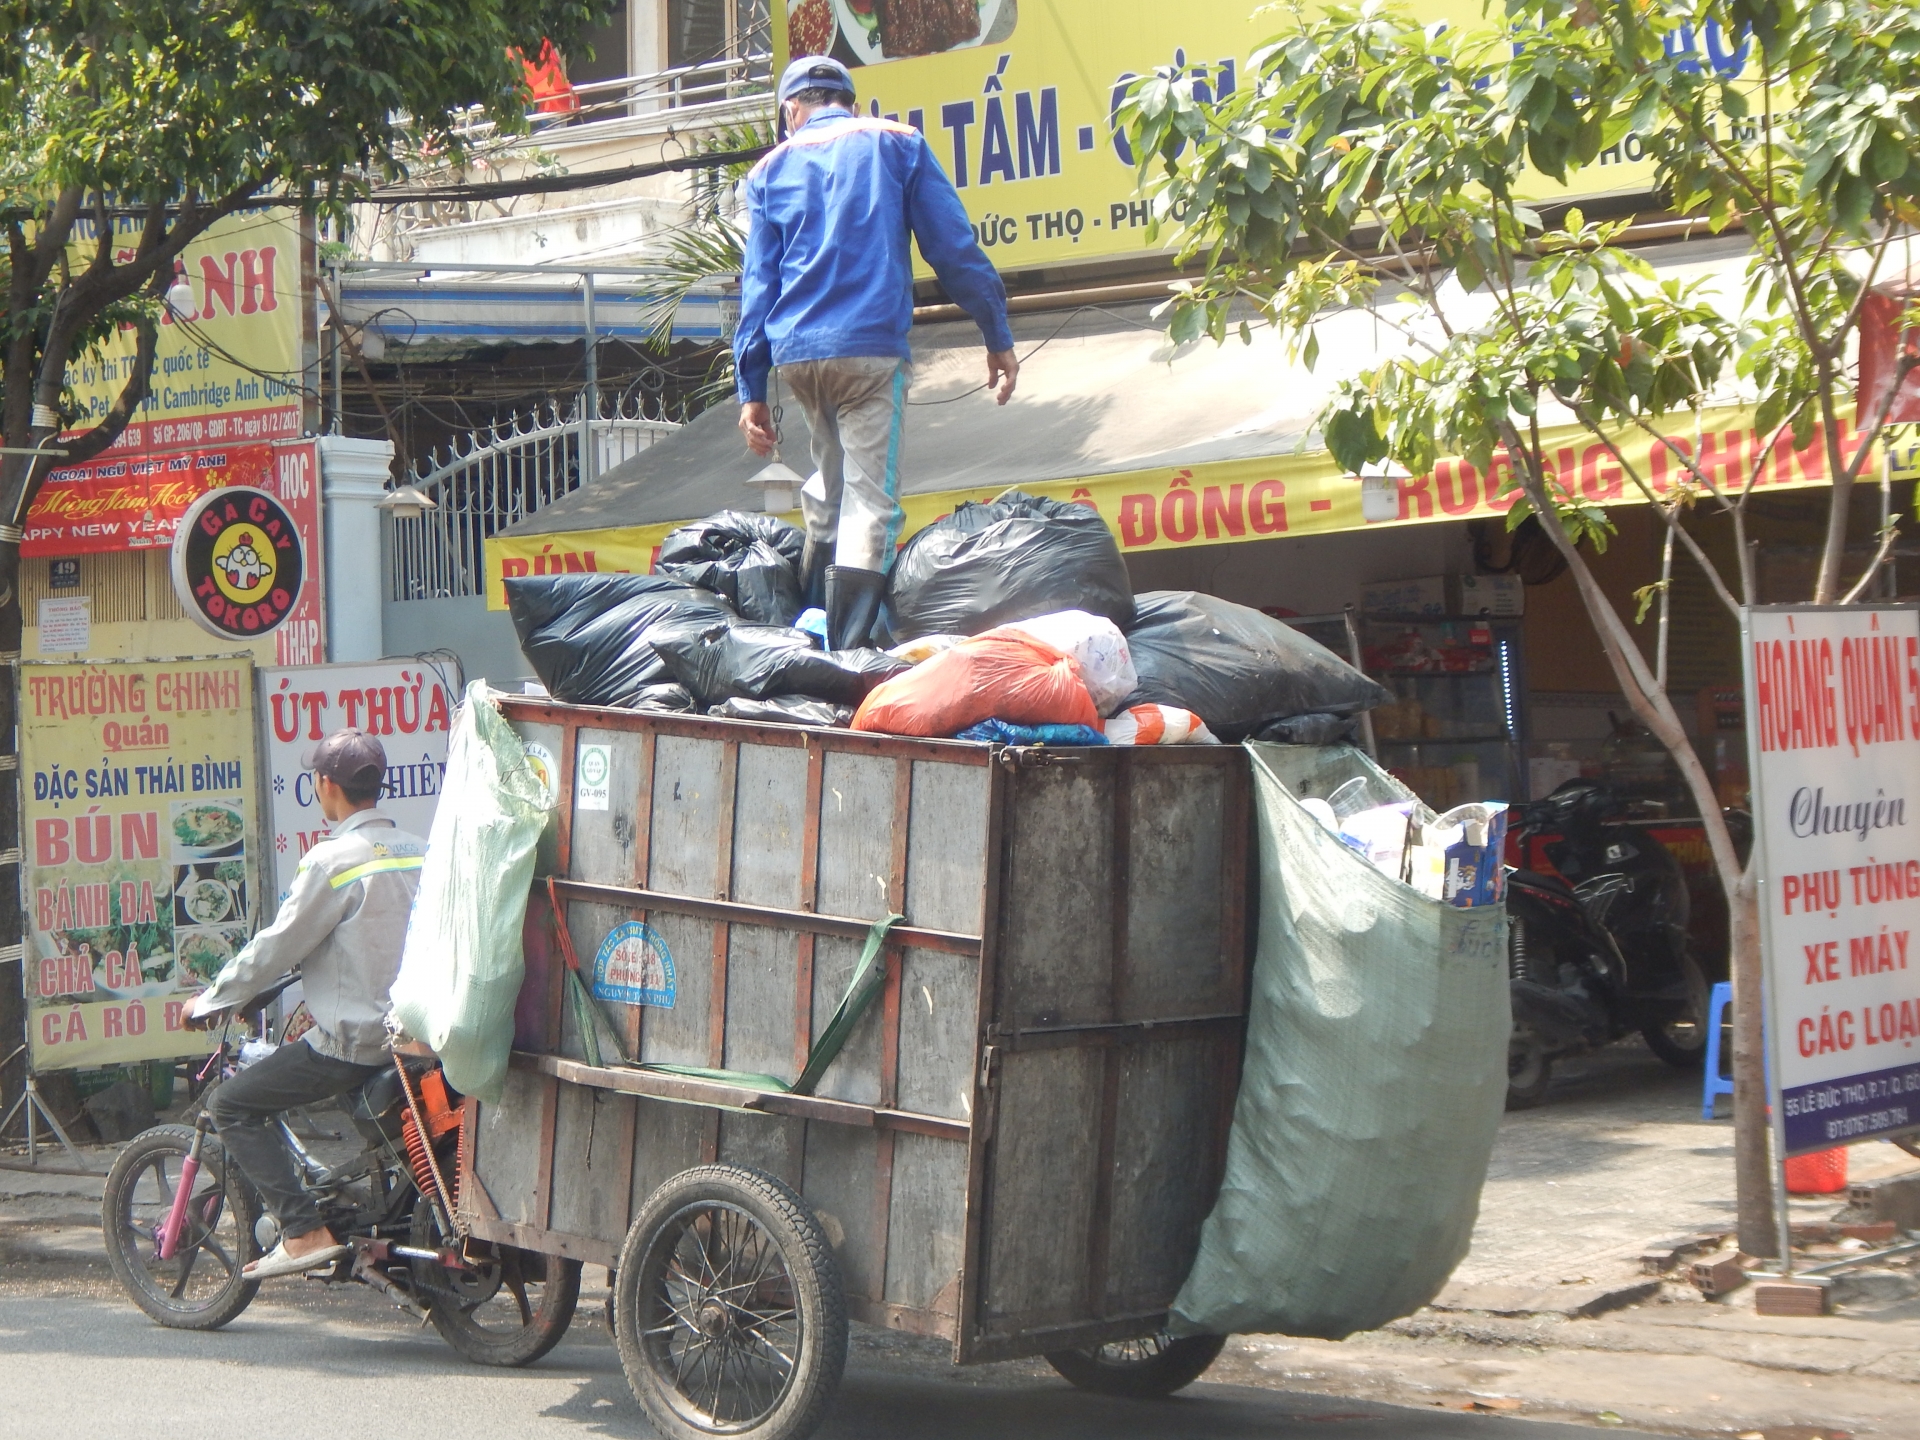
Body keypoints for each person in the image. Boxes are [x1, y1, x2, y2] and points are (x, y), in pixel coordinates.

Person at [736, 54, 1019, 649]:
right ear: (849, 102)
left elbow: (758, 286)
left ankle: (812, 620)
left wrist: (751, 390)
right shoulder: (899, 143)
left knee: (831, 488)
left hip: (797, 356)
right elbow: (954, 248)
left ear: (792, 110)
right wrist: (996, 333)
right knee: (872, 503)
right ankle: (847, 649)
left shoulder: (768, 170)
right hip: (868, 352)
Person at [186, 729, 426, 1281]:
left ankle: (301, 1230)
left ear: (325, 785)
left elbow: (278, 945)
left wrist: (213, 999)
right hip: (417, 1036)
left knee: (232, 1105)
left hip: (356, 1045)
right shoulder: (420, 849)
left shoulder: (331, 861)